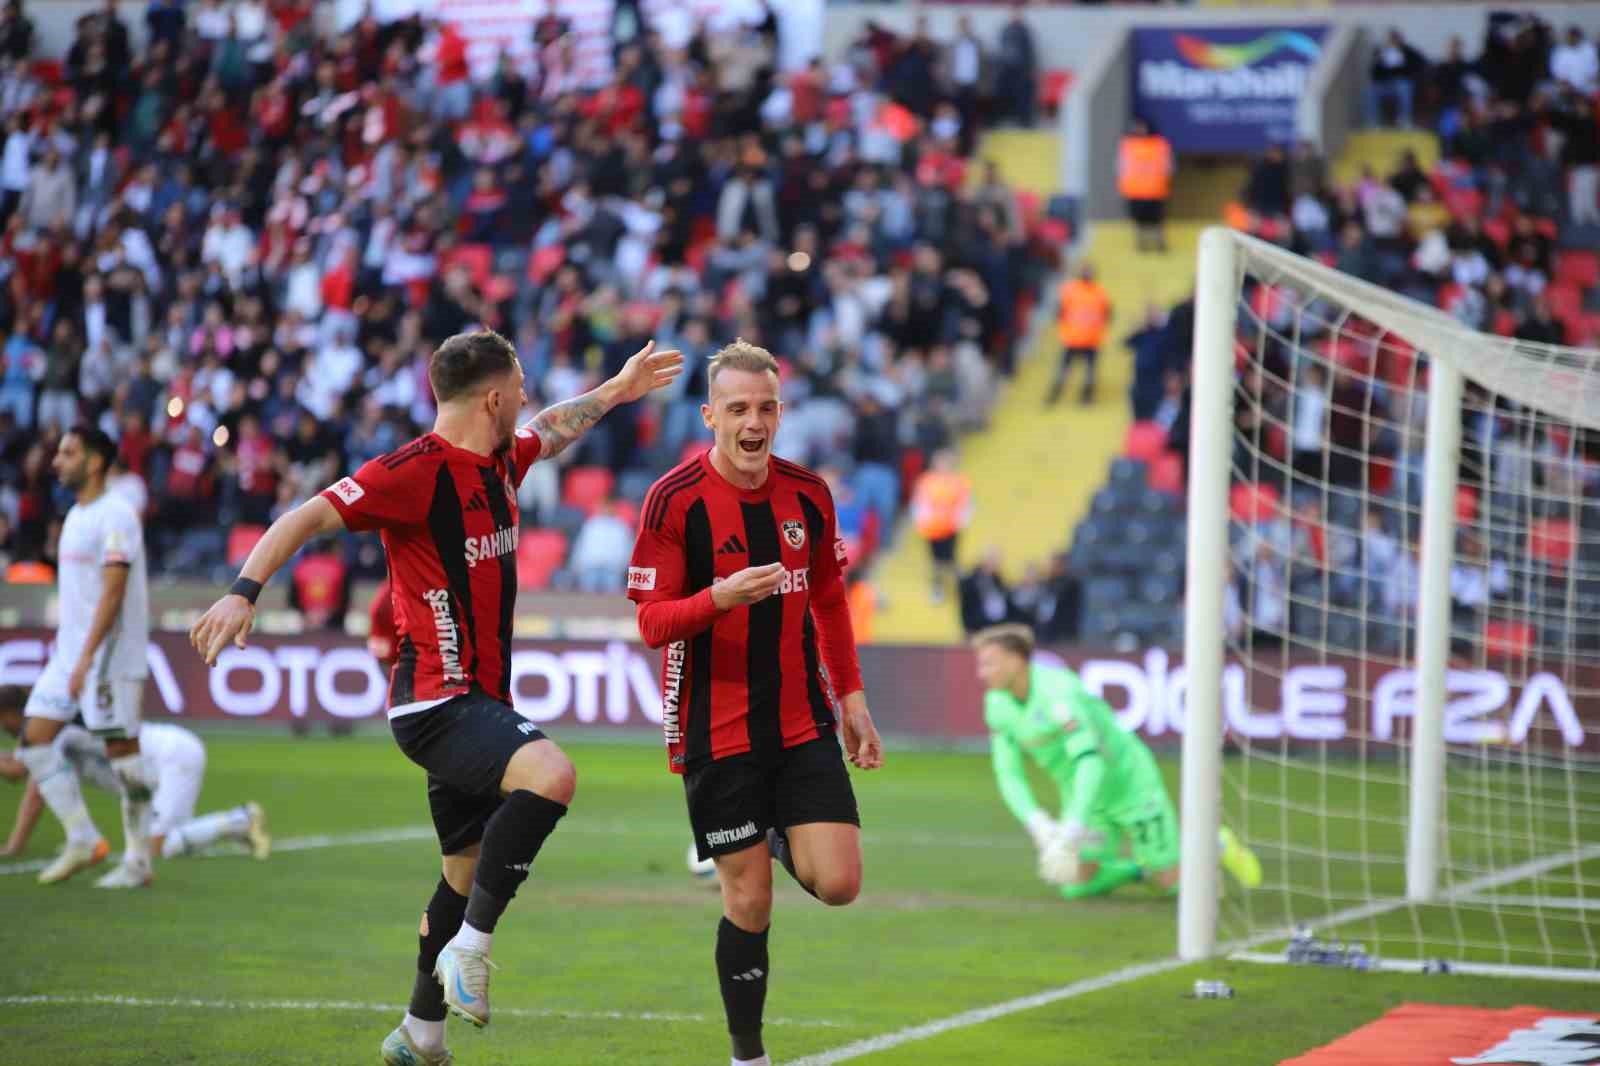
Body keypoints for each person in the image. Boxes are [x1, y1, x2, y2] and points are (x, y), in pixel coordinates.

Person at [189, 329, 682, 1066]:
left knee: (462, 871)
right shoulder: (411, 471)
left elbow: (551, 429)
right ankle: (471, 952)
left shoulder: (498, 461)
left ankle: (421, 1032)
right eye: (518, 386)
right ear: (491, 396)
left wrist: (617, 389)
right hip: (435, 701)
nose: (525, 400)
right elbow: (305, 516)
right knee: (553, 775)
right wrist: (242, 592)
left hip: (474, 699)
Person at [626, 339, 884, 1066]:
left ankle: (771, 831)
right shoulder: (674, 501)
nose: (754, 421)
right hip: (715, 722)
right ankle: (748, 1055)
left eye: (766, 407)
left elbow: (830, 600)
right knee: (750, 901)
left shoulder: (809, 494)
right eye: (737, 408)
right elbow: (651, 624)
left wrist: (853, 699)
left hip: (802, 716)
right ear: (710, 415)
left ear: (781, 412)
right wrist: (717, 598)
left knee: (839, 883)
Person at [972, 624, 1261, 899]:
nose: (981, 673)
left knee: (1173, 882)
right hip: (1084, 794)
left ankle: (1215, 844)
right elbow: (1008, 772)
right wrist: (1036, 822)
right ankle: (1137, 871)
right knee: (1074, 882)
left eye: (989, 663)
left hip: (1127, 782)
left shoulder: (1060, 694)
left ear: (1016, 661)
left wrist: (1073, 824)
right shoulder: (996, 704)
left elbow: (1091, 763)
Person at [14, 426, 157, 889]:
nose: (57, 461)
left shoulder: (117, 514)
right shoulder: (76, 514)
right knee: (34, 739)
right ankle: (82, 836)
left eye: (68, 453)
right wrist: (70, 656)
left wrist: (86, 660)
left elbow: (113, 593)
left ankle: (138, 861)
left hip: (110, 656)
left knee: (123, 756)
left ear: (94, 462)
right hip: (70, 653)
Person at [0, 685, 271, 861]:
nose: (3, 728)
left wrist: (14, 847)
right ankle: (240, 829)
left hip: (172, 756)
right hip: (158, 767)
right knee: (165, 840)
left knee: (156, 847)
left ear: (11, 712)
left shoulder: (50, 731)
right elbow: (25, 771)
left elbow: (22, 777)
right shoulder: (48, 731)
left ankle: (242, 820)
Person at [910, 448, 973, 604]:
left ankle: (960, 589)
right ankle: (937, 588)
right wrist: (922, 522)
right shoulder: (926, 481)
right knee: (936, 560)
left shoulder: (959, 481)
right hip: (933, 529)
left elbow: (966, 503)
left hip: (951, 527)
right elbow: (920, 504)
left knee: (952, 559)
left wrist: (960, 521)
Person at [1050, 263, 1112, 406]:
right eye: (1085, 271)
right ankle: (1055, 392)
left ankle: (1087, 395)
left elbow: (1107, 314)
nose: (1087, 274)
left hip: (1091, 340)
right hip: (1072, 338)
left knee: (1089, 372)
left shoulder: (1100, 293)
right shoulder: (1070, 290)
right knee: (1063, 369)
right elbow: (1059, 311)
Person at [1117, 119, 1173, 253]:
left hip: (1155, 190)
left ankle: (1160, 243)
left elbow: (1168, 166)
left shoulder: (1159, 144)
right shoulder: (1128, 145)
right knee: (1138, 220)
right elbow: (1121, 166)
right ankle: (1141, 243)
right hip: (1135, 190)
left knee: (1157, 219)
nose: (1140, 130)